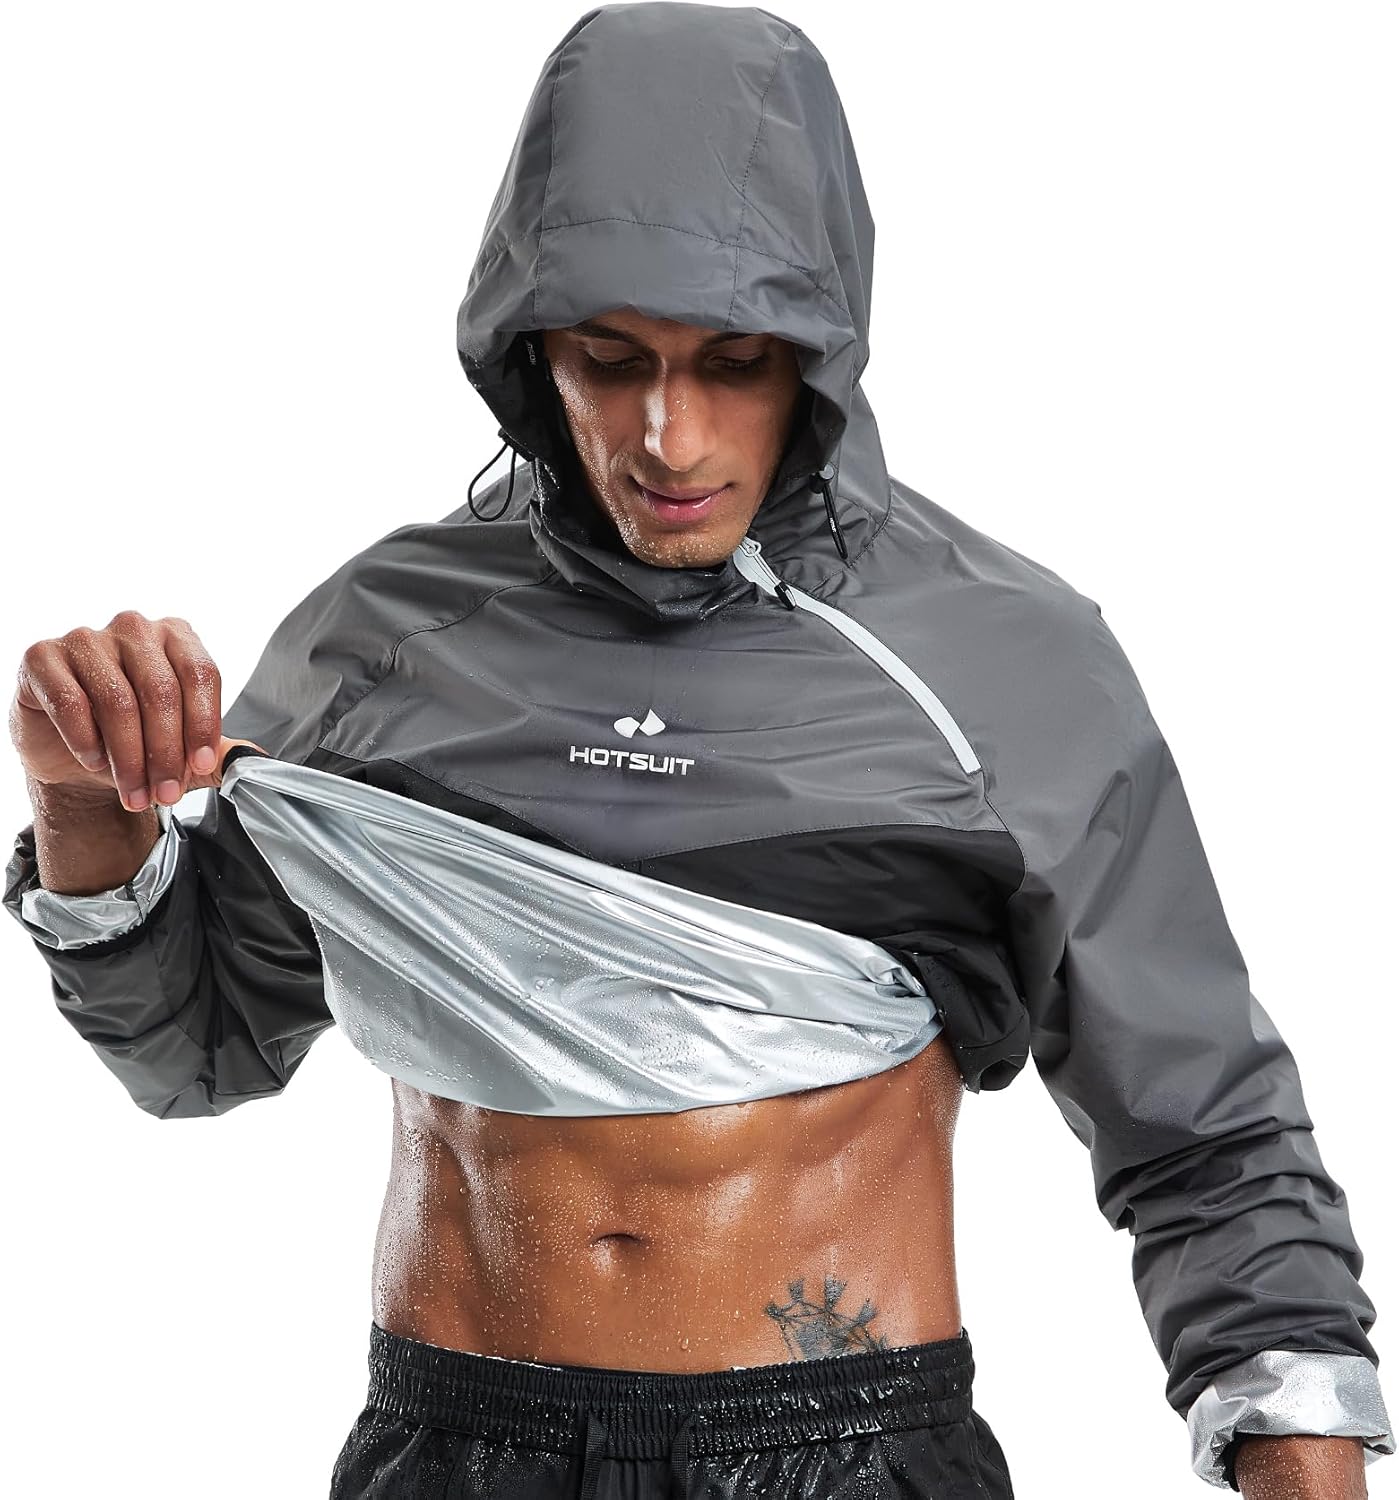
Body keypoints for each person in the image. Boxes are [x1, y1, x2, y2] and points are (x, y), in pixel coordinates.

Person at [3, 4, 1392, 1496]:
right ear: (529, 347)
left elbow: (1203, 1131)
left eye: (734, 361)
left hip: (841, 1447)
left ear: (819, 352)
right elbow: (197, 1053)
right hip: (454, 1449)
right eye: (611, 359)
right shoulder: (383, 643)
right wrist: (85, 808)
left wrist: (1301, 1462)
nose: (669, 436)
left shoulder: (1003, 664)